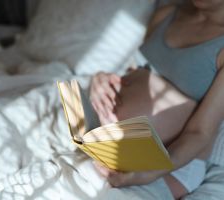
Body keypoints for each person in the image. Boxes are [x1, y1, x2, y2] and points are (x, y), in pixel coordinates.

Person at [89, 0, 224, 199]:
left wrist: (147, 173)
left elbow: (199, 133)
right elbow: (135, 75)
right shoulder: (166, 14)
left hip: (170, 167)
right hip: (109, 143)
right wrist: (100, 80)